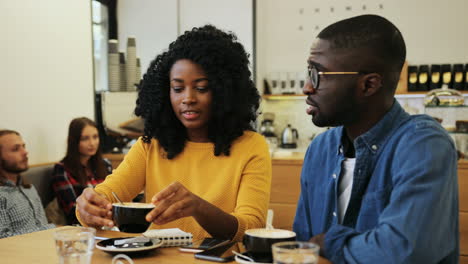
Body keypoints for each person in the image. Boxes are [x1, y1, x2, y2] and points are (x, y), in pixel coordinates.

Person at [76, 25, 272, 241]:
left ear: (225, 91)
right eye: (178, 89)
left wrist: (198, 207)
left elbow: (251, 228)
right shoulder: (151, 145)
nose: (187, 98)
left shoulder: (251, 146)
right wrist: (89, 205)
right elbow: (110, 191)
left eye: (201, 87)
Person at [293, 14, 458, 263]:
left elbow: (404, 250)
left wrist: (330, 242)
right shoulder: (320, 149)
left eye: (318, 75)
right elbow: (304, 246)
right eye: (308, 73)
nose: (306, 87)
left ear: (369, 85)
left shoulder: (423, 144)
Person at [51, 117, 112, 225]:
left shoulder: (105, 164)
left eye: (95, 137)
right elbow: (72, 211)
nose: (92, 143)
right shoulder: (62, 169)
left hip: (110, 221)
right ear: (74, 141)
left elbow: (114, 196)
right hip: (81, 226)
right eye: (85, 138)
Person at [0, 130, 54, 238]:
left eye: (23, 146)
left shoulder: (29, 188)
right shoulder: (2, 195)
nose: (25, 152)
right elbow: (3, 238)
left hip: (46, 245)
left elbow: (43, 223)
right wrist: (51, 228)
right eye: (16, 149)